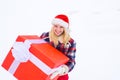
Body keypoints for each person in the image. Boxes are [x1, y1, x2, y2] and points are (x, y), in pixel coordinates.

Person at [40, 14, 76, 80]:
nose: (58, 29)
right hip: (44, 70)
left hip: (60, 75)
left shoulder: (70, 42)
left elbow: (72, 61)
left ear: (65, 28)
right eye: (56, 26)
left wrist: (62, 70)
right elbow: (37, 50)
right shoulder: (45, 36)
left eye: (61, 27)